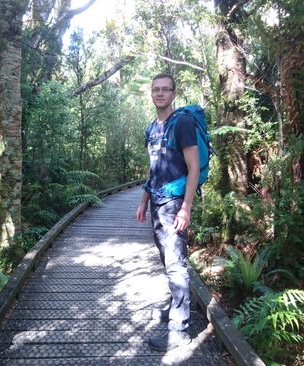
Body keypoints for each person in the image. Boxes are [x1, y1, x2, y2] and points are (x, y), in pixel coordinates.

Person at [136, 73, 199, 352]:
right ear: (152, 94)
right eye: (155, 90)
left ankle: (179, 329)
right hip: (156, 203)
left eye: (165, 90)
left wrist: (186, 207)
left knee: (176, 263)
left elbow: (193, 167)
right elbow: (154, 167)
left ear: (174, 93)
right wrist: (142, 200)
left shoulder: (182, 123)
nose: (160, 94)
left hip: (174, 203)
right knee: (166, 259)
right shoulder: (152, 128)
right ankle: (177, 307)